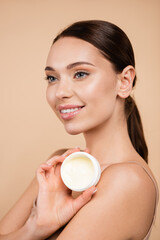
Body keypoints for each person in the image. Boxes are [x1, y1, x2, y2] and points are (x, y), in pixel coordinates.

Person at [0, 20, 158, 240]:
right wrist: (36, 228)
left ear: (124, 81)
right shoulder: (59, 164)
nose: (60, 92)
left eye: (80, 74)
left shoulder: (128, 181)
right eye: (52, 78)